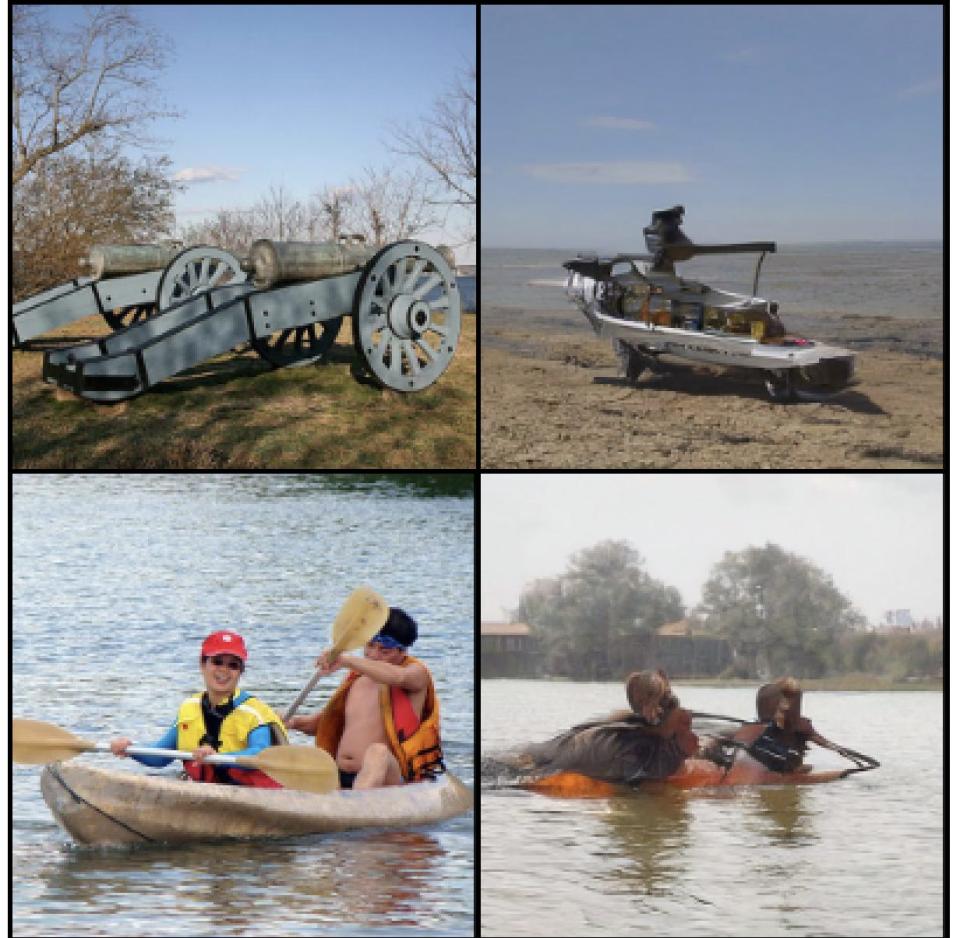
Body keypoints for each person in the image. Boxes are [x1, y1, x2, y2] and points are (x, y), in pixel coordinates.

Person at [284, 608, 443, 790]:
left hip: (390, 776)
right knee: (312, 758)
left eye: (384, 650)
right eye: (369, 646)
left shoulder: (416, 674)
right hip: (341, 773)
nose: (374, 655)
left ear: (402, 651)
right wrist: (293, 722)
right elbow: (324, 723)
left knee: (378, 752)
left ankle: (356, 804)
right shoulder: (357, 678)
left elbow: (398, 678)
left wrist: (346, 660)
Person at [109, 630, 288, 787]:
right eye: (217, 662)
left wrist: (217, 757)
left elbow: (261, 753)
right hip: (212, 791)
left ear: (240, 672)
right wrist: (131, 749)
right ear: (202, 665)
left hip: (251, 794)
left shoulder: (255, 713)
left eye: (233, 665)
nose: (224, 670)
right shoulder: (189, 708)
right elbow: (161, 755)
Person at [517, 669, 699, 784]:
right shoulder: (637, 750)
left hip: (540, 753)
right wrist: (680, 755)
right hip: (532, 762)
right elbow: (636, 786)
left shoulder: (635, 728)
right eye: (682, 726)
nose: (688, 730)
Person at [736, 677, 836, 773]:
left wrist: (838, 749)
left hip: (787, 762)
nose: (786, 705)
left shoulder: (800, 724)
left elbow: (820, 740)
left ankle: (793, 769)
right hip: (766, 760)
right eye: (785, 698)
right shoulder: (766, 725)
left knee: (792, 755)